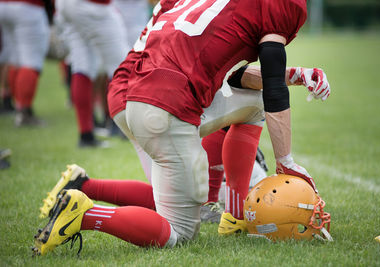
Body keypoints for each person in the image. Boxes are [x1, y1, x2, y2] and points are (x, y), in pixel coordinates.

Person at [33, 0, 331, 255]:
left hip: (129, 90)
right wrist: (286, 162)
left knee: (249, 106)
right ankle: (85, 213)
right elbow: (273, 86)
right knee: (178, 231)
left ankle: (233, 215)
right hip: (164, 103)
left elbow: (230, 76)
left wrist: (295, 74)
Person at [54, 0, 130, 147]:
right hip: (92, 5)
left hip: (65, 5)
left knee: (82, 66)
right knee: (122, 65)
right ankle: (125, 127)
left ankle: (86, 135)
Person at [0, 0, 50, 126]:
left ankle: (16, 105)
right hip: (28, 7)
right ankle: (23, 112)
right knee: (30, 62)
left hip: (4, 6)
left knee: (15, 60)